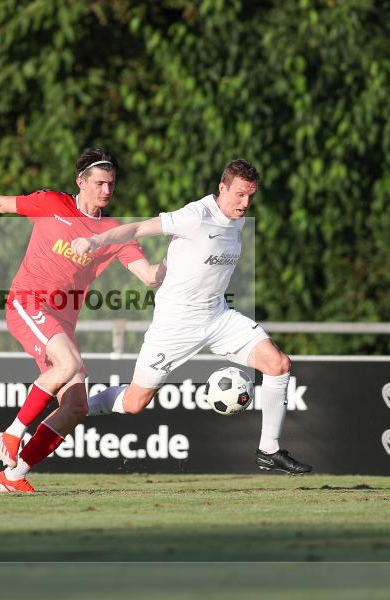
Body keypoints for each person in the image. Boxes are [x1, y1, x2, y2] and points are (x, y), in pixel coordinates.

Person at [0, 148, 165, 493]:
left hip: (61, 323)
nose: (107, 191)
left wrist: (183, 253)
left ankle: (12, 475)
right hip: (28, 304)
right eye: (99, 183)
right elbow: (0, 204)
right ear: (80, 182)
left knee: (76, 407)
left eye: (111, 184)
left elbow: (150, 277)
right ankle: (12, 433)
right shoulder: (53, 204)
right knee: (69, 364)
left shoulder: (113, 231)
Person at [71, 159, 312, 475]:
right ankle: (76, 408)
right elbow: (140, 227)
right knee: (134, 403)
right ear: (221, 188)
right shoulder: (195, 216)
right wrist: (95, 239)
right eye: (239, 194)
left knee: (278, 364)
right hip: (175, 325)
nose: (245, 203)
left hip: (217, 317)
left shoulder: (237, 219)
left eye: (251, 196)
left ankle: (269, 450)